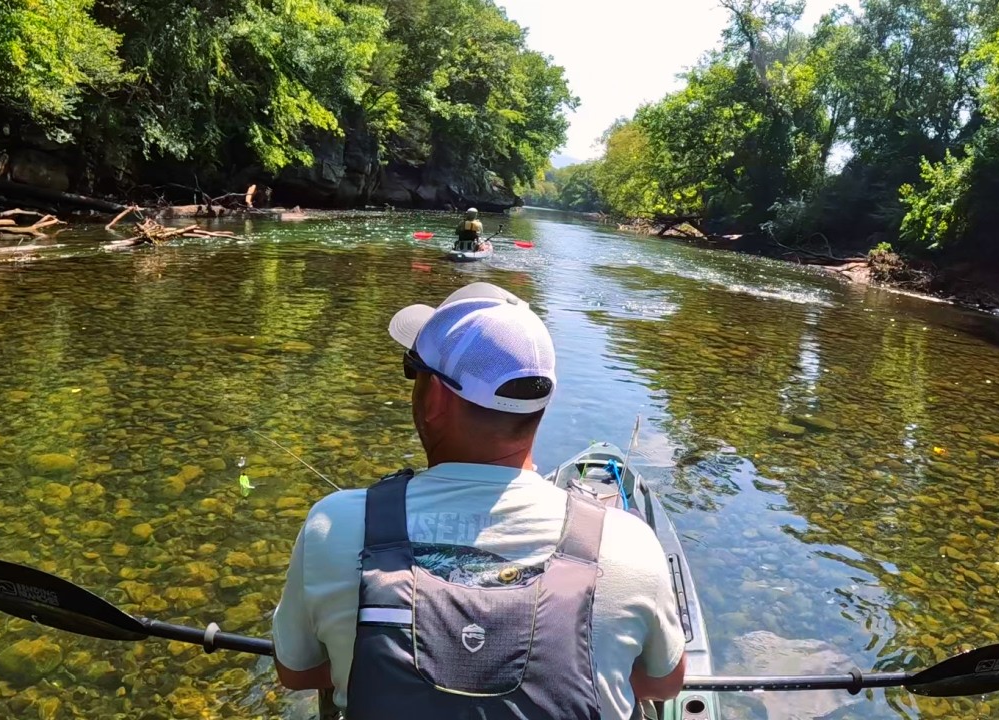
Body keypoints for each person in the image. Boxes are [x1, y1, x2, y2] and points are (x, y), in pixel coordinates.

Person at [271, 281, 688, 719]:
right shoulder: (628, 543)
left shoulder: (334, 525)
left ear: (435, 396)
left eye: (413, 371)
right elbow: (664, 683)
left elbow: (296, 672)